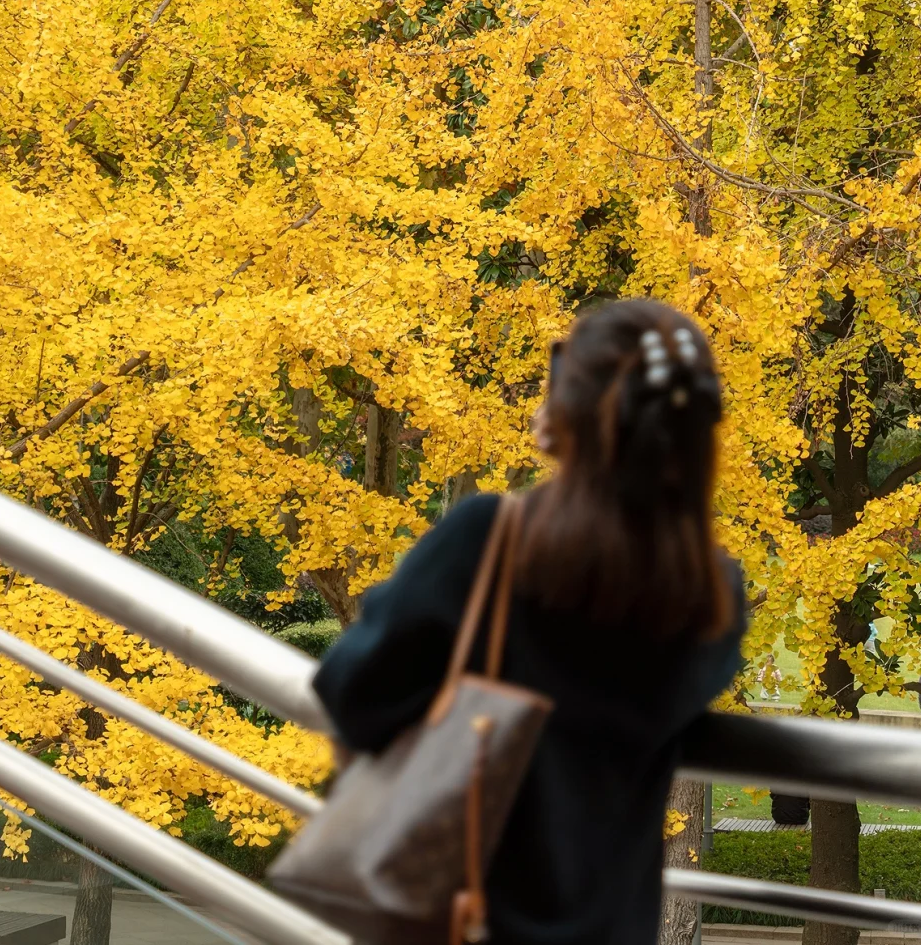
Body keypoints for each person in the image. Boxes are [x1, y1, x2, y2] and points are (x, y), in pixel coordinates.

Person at [314, 298, 746, 945]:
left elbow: (353, 693)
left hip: (462, 916)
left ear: (564, 414)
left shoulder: (490, 542)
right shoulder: (711, 599)